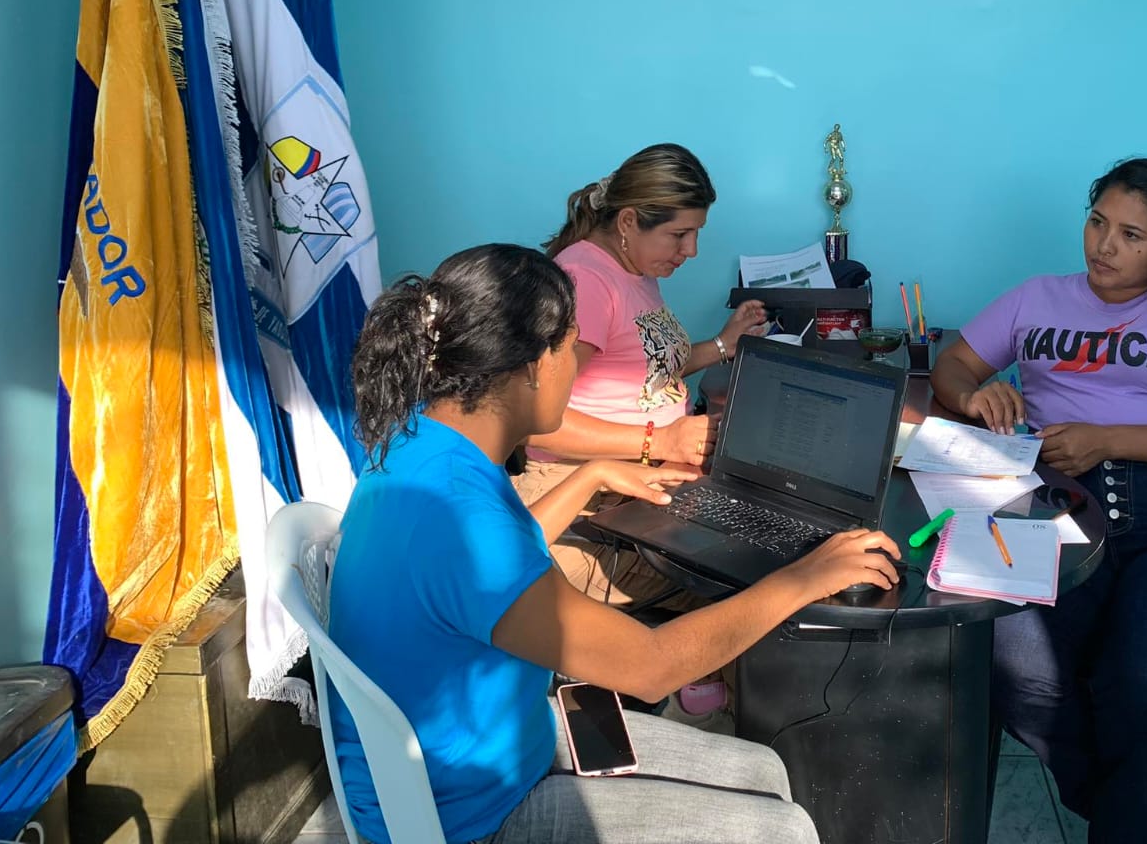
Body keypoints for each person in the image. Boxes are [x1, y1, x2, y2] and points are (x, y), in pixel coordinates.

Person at [329, 244, 900, 844]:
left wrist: (592, 474)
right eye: (571, 348)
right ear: (533, 365)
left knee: (762, 769)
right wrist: (803, 578)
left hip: (493, 737)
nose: (576, 370)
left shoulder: (424, 440)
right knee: (783, 829)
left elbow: (488, 566)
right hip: (469, 814)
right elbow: (651, 668)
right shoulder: (464, 522)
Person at [930, 158, 1147, 844]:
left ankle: (1122, 820)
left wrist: (1106, 438)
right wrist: (974, 395)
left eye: (1130, 235)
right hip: (1054, 505)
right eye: (1096, 223)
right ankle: (1122, 806)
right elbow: (953, 364)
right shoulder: (1037, 297)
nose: (1103, 246)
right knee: (1001, 652)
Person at [513, 143, 766, 608]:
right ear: (628, 221)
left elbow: (644, 370)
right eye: (679, 234)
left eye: (696, 234)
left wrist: (723, 344)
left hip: (641, 477)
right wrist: (660, 441)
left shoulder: (634, 267)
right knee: (739, 589)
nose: (691, 251)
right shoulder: (586, 281)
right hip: (580, 499)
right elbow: (532, 420)